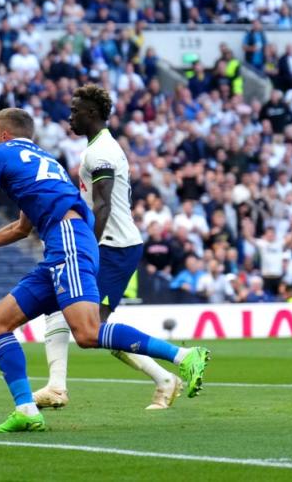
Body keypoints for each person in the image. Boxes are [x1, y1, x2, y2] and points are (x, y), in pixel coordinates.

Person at [0, 108, 211, 433]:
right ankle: (27, 410)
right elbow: (21, 228)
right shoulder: (44, 161)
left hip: (69, 242)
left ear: (3, 134)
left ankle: (182, 356)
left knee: (88, 333)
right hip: (65, 244)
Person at [33, 85, 183, 412]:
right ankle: (56, 386)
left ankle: (167, 375)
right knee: (66, 313)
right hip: (109, 244)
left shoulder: (101, 152)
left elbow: (102, 207)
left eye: (74, 111)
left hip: (112, 246)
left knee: (93, 329)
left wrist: (88, 248)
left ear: (91, 113)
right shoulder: (97, 148)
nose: (69, 116)